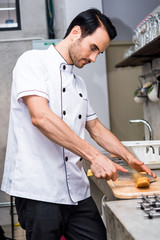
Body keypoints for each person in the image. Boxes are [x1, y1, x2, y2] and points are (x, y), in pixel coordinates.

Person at [1, 8, 156, 240]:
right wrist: (95, 156)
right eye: (93, 48)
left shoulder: (79, 84)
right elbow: (41, 117)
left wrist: (129, 157)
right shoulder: (33, 62)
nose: (93, 58)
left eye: (100, 53)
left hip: (76, 191)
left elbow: (95, 128)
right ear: (76, 32)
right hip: (38, 190)